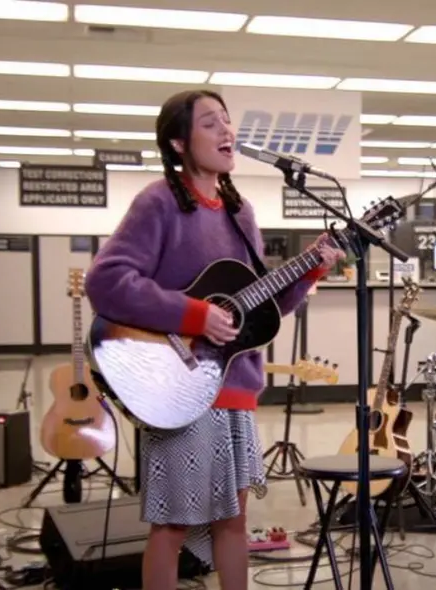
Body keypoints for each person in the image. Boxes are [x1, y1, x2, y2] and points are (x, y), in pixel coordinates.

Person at [84, 89, 344, 590]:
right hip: (175, 383)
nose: (227, 132)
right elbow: (107, 281)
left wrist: (310, 272)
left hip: (234, 385)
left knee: (235, 521)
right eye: (210, 124)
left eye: (227, 121)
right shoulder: (158, 201)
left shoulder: (239, 212)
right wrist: (193, 314)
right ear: (179, 143)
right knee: (173, 525)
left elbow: (256, 313)